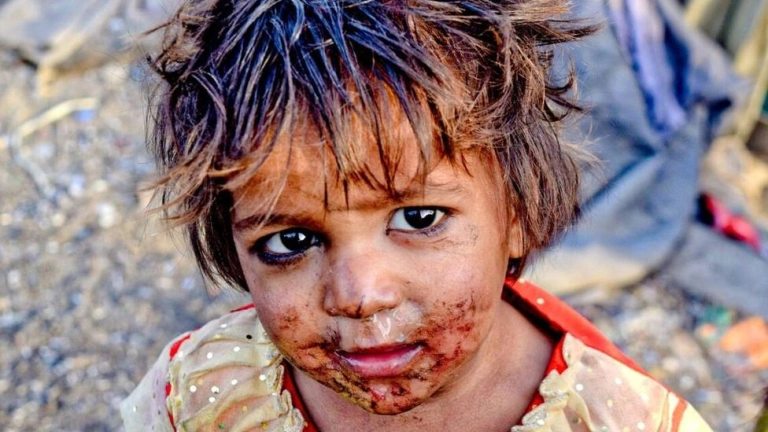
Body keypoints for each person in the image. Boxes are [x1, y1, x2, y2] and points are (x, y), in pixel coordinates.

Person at [122, 0, 713, 430]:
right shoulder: (202, 393)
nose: (361, 295)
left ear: (516, 212)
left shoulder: (621, 420)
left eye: (420, 218)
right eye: (291, 240)